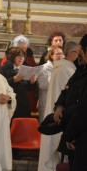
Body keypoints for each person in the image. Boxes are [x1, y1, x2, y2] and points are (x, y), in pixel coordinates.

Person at [38, 41, 79, 171]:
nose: (80, 56)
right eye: (79, 53)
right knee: (58, 152)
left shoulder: (61, 68)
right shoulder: (67, 70)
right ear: (72, 53)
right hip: (60, 114)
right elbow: (71, 97)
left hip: (55, 110)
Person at [53, 34, 87, 171]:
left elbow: (84, 110)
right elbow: (68, 88)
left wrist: (70, 136)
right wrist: (59, 105)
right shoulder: (81, 69)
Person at [0, 47, 37, 119]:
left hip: (23, 102)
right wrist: (14, 79)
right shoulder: (5, 68)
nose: (21, 58)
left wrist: (32, 82)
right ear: (13, 57)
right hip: (10, 101)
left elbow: (29, 88)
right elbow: (0, 83)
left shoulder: (26, 68)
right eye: (19, 56)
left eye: (23, 56)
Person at [37, 46, 64, 123]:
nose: (60, 56)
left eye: (61, 54)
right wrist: (54, 77)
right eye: (57, 54)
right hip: (47, 101)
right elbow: (42, 85)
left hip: (59, 101)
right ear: (51, 55)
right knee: (47, 125)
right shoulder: (43, 68)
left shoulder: (64, 68)